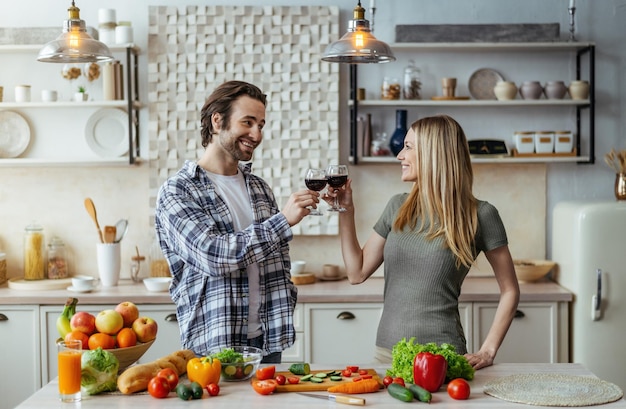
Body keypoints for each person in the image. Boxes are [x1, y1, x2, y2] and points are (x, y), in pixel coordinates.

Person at [324, 114, 520, 370]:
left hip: (443, 358)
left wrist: (488, 350)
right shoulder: (397, 206)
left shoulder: (480, 214)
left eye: (408, 147)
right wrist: (346, 211)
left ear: (433, 153)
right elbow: (356, 272)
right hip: (386, 355)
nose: (399, 156)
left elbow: (510, 290)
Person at [155, 80, 320, 363]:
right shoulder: (178, 190)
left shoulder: (259, 188)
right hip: (214, 344)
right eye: (248, 122)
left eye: (261, 125)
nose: (256, 134)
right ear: (217, 121)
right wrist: (282, 222)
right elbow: (213, 255)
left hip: (267, 341)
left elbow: (276, 261)